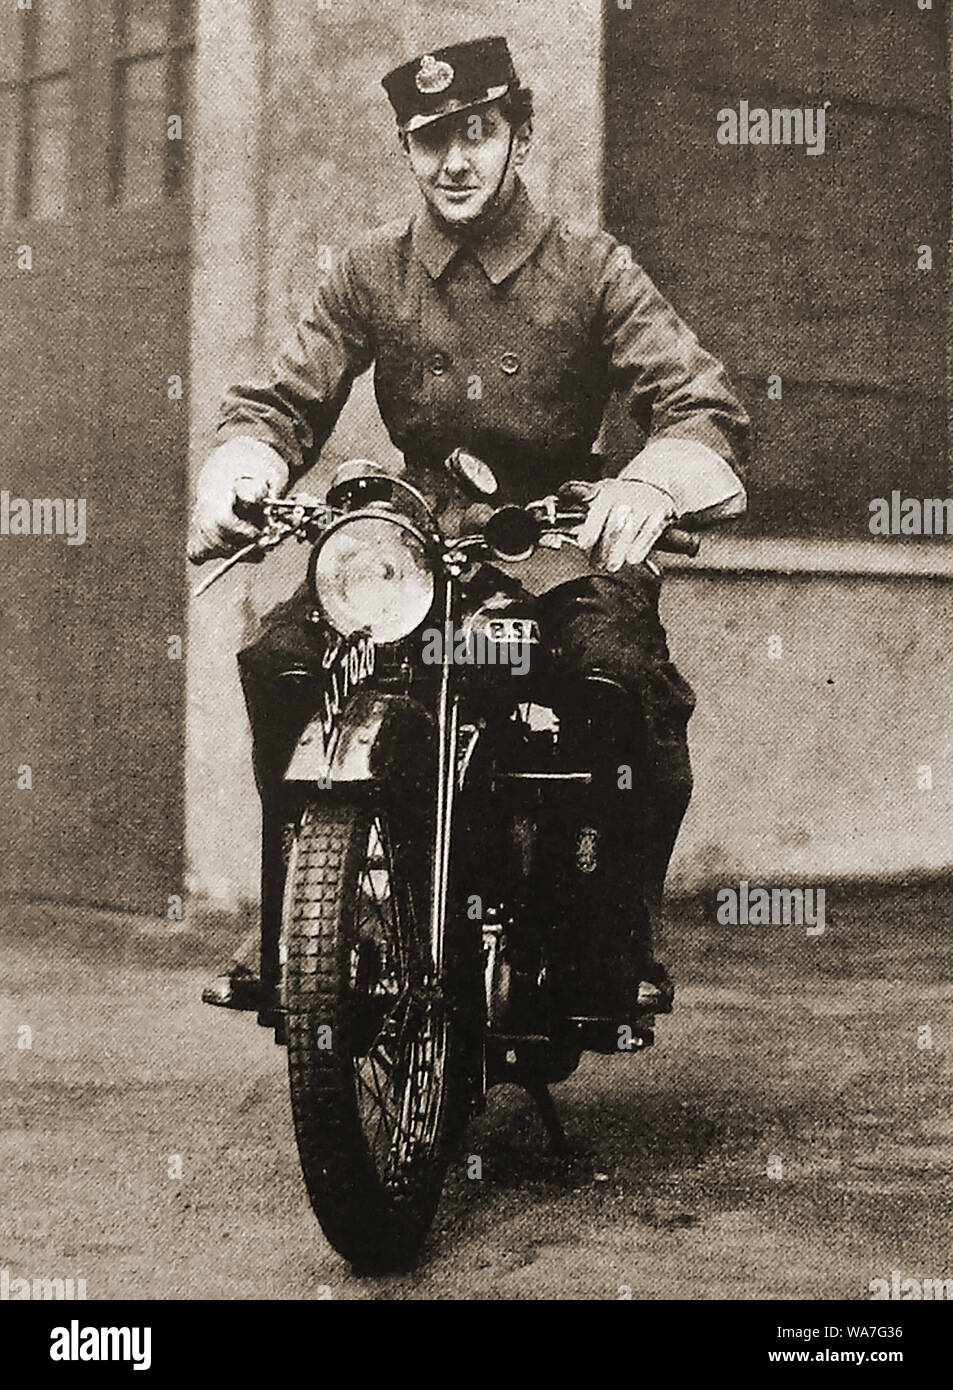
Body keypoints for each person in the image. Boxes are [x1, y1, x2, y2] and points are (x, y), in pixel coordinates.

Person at [189, 36, 750, 1017]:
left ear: (518, 135)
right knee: (281, 658)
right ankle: (297, 920)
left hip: (561, 539)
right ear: (407, 150)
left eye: (475, 133)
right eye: (428, 138)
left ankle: (605, 931)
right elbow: (281, 397)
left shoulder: (590, 268)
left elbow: (699, 404)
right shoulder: (369, 270)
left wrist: (650, 485)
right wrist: (243, 465)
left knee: (620, 688)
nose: (452, 159)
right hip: (409, 542)